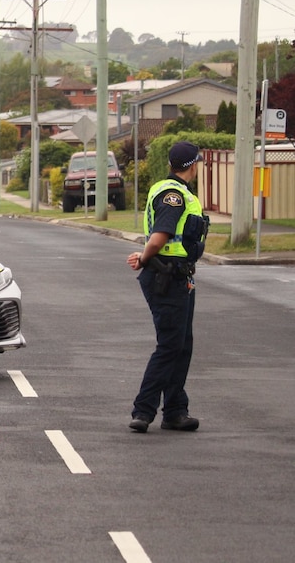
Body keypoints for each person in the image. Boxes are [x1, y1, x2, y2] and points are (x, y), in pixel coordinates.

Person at [126, 141, 210, 433]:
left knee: (181, 345)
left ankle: (175, 410)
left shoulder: (174, 190)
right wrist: (146, 256)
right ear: (193, 165)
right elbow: (161, 234)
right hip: (167, 277)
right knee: (170, 346)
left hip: (177, 275)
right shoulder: (174, 195)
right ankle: (144, 410)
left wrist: (145, 255)